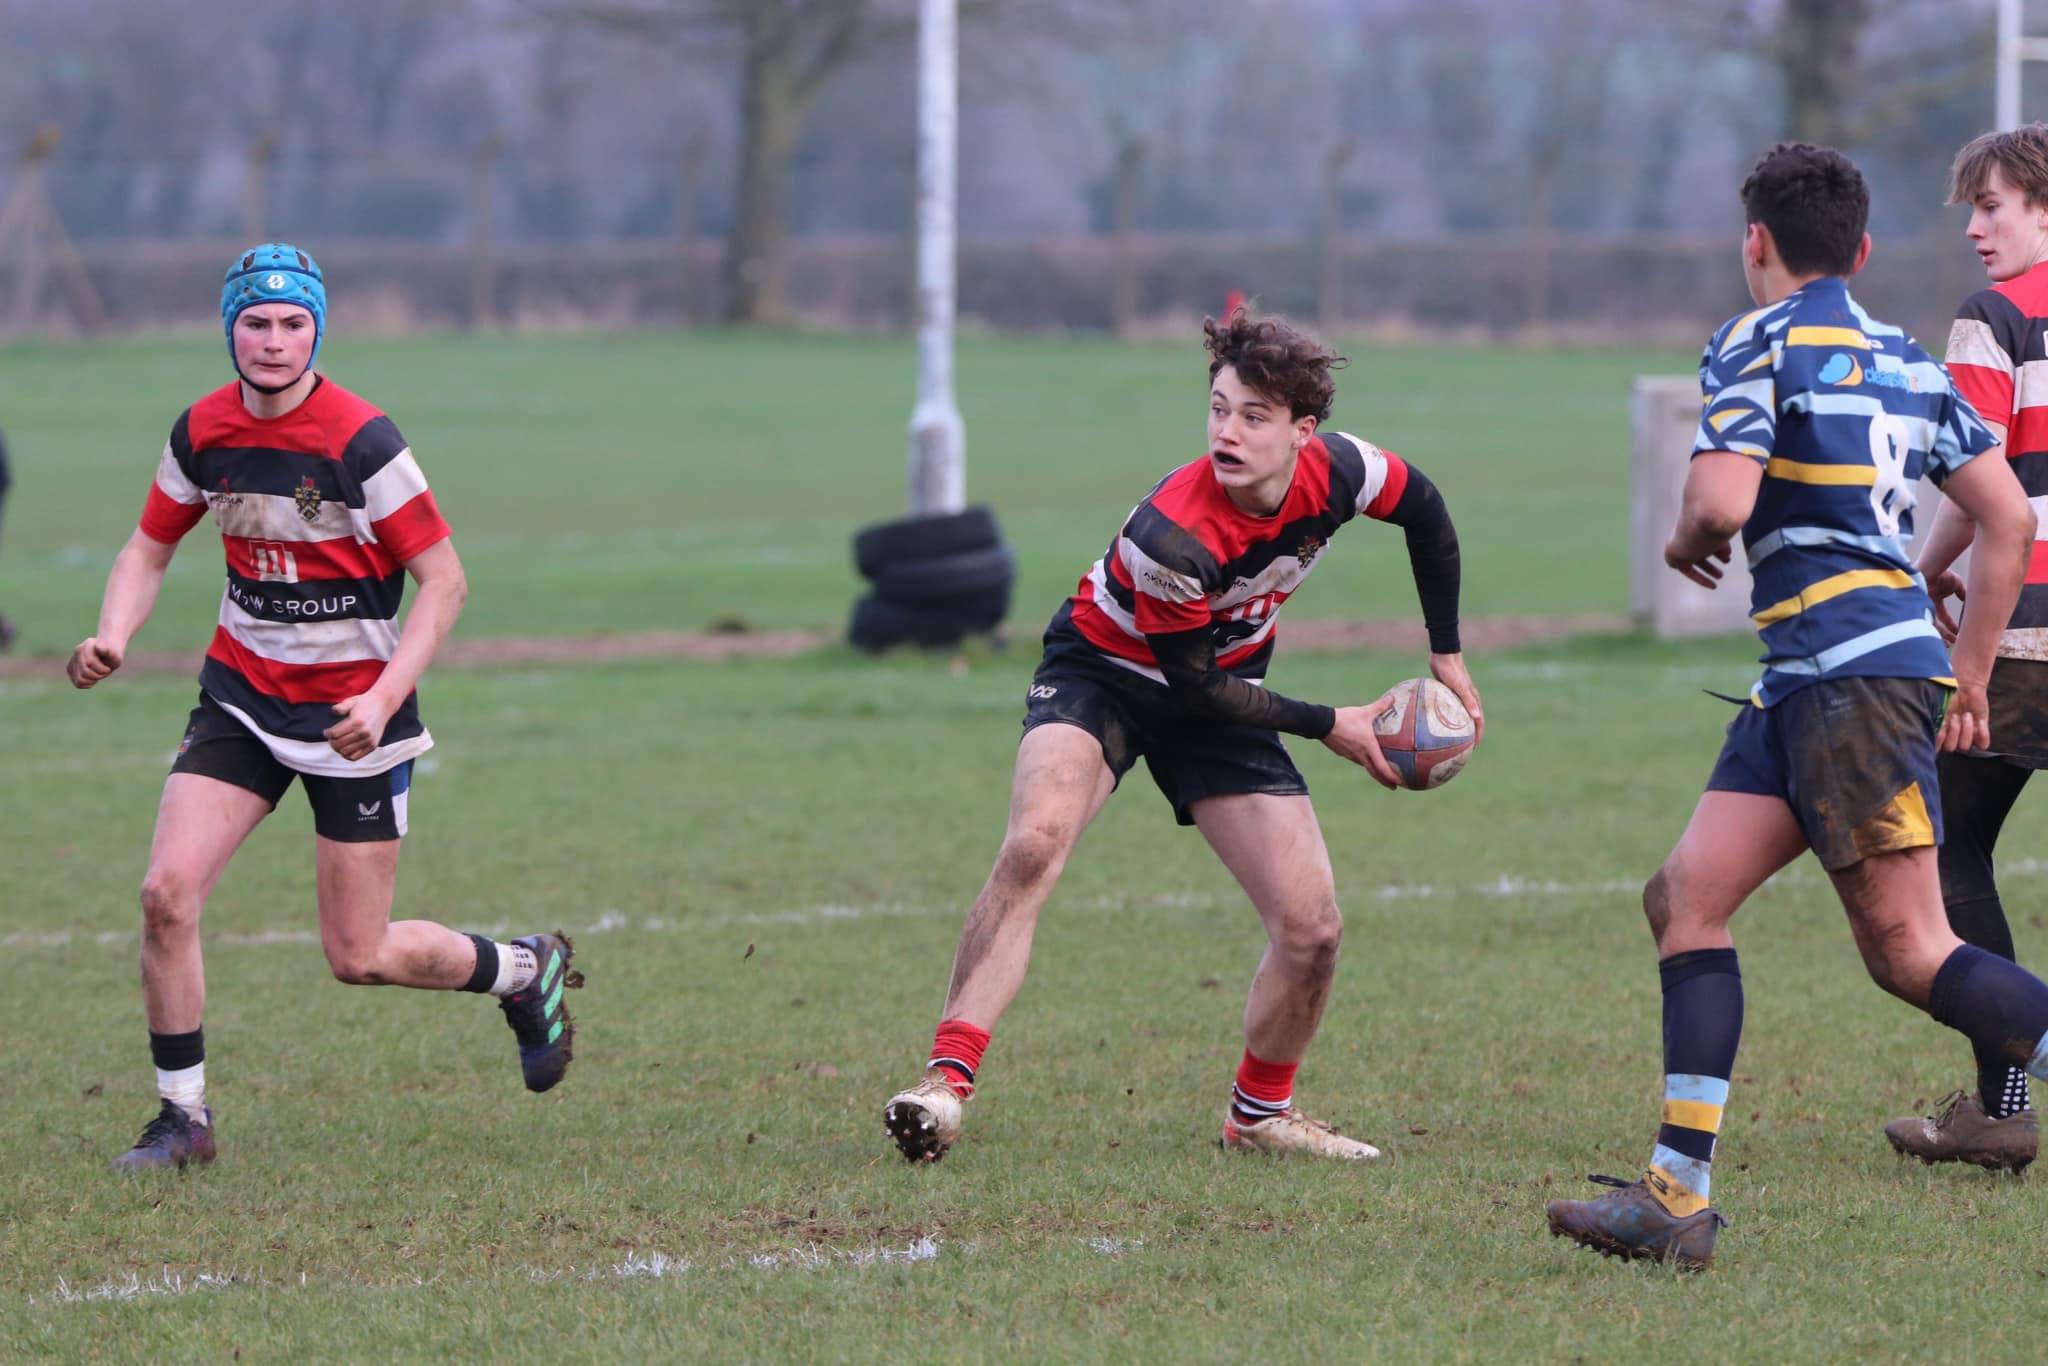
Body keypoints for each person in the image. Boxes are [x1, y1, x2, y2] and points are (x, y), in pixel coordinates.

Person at [1545, 143, 2048, 1270]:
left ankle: (1674, 1196)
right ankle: (1672, 1200)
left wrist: (1685, 537)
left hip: (1846, 681)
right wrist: (1963, 672)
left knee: (1911, 951)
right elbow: (2006, 525)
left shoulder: (1754, 339)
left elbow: (1718, 503)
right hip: (1813, 680)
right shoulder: (1904, 357)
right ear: (1862, 251)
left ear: (1754, 244)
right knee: (1682, 896)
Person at [879, 309, 1482, 1164]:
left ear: (1303, 433)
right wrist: (1332, 725)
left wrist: (1445, 654)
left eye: (1253, 416)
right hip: (1107, 672)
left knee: (1313, 928)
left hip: (1225, 691)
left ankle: (1260, 1116)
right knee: (1033, 845)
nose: (1226, 432)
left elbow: (1427, 511)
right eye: (1218, 408)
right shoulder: (1175, 531)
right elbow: (1191, 683)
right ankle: (942, 1086)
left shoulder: (1347, 471)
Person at [70, 243, 582, 1173]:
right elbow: (147, 549)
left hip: (356, 715)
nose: (273, 342)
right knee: (165, 894)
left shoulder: (360, 440)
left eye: (292, 323)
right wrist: (113, 634)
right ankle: (183, 1119)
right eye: (256, 323)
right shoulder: (203, 432)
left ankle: (521, 969)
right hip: (241, 696)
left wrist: (382, 698)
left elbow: (446, 582)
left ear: (318, 330)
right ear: (230, 328)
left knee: (360, 955)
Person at [1884, 124, 2048, 1174]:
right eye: (1969, 209)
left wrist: (1970, 672)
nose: (1975, 228)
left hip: (2027, 637)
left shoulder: (1992, 321)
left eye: (1992, 205)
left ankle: (1998, 1104)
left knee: (1944, 853)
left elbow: (1984, 482)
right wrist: (1929, 560)